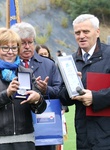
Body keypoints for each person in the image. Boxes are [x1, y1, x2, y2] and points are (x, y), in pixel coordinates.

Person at [59, 14, 110, 150]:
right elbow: (64, 98)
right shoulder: (70, 62)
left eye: (86, 31)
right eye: (77, 32)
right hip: (83, 135)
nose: (81, 36)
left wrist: (95, 97)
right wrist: (72, 87)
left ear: (97, 32)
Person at [11, 22, 62, 150]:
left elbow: (60, 91)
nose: (27, 47)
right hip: (16, 127)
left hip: (44, 126)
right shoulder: (7, 66)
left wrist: (46, 89)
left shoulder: (49, 64)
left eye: (31, 42)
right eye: (23, 43)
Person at [36, 44, 68, 150]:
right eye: (41, 54)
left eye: (46, 54)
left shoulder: (53, 68)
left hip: (51, 110)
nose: (44, 56)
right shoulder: (33, 68)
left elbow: (59, 88)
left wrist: (46, 89)